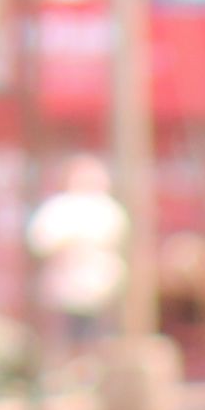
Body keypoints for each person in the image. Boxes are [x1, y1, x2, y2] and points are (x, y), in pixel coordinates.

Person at [27, 152, 126, 371]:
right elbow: (41, 241)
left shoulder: (106, 209)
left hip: (101, 286)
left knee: (100, 336)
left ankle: (95, 371)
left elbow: (116, 240)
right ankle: (65, 371)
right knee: (67, 336)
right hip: (67, 287)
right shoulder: (59, 208)